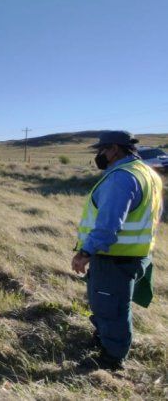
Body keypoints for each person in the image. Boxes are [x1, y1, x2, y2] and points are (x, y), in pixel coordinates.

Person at [71, 131, 163, 370]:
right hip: (136, 253)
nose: (99, 155)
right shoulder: (148, 173)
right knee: (109, 303)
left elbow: (109, 224)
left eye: (101, 150)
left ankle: (111, 359)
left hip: (115, 257)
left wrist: (85, 253)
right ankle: (104, 339)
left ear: (114, 149)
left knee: (111, 308)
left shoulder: (121, 178)